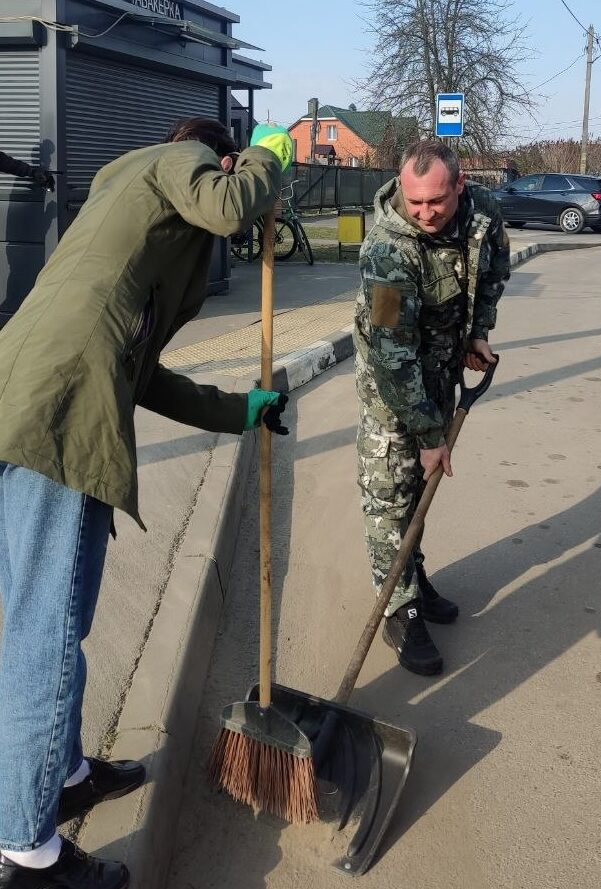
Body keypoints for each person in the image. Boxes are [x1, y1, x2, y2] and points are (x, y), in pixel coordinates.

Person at [0, 117, 293, 889]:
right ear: (216, 154)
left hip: (33, 395)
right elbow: (231, 204)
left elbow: (146, 375)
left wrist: (241, 408)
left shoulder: (135, 218)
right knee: (45, 633)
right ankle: (24, 853)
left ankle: (62, 777)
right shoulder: (178, 158)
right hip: (60, 407)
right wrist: (270, 156)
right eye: (229, 167)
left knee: (56, 616)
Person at [354, 140, 510, 676]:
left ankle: (413, 577)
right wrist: (427, 437)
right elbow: (392, 355)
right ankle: (400, 610)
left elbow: (493, 272)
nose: (424, 214)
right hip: (392, 388)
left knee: (420, 491)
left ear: (460, 185)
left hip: (443, 372)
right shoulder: (387, 253)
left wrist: (478, 333)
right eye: (414, 202)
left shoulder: (483, 213)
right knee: (390, 496)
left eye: (436, 203)